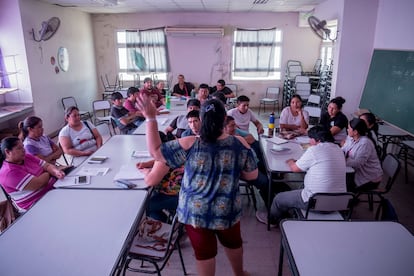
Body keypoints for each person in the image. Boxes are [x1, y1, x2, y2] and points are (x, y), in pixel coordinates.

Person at [136, 94, 258, 276]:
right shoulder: (238, 143)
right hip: (227, 210)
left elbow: (156, 152)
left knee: (204, 254)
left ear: (201, 120)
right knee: (233, 243)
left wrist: (151, 118)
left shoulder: (190, 143)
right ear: (225, 119)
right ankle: (239, 273)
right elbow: (252, 175)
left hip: (195, 212)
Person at [256, 125, 347, 226]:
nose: (309, 142)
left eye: (310, 139)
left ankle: (272, 220)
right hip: (339, 202)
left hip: (315, 202)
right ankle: (290, 210)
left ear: (317, 140)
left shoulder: (314, 150)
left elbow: (295, 168)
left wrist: (291, 162)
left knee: (278, 199)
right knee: (299, 188)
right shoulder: (339, 150)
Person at [0, 137, 65, 211]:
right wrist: (49, 173)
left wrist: (55, 171)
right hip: (36, 204)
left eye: (23, 147)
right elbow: (39, 184)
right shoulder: (8, 173)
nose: (24, 150)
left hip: (52, 190)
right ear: (8, 152)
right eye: (19, 148)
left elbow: (47, 165)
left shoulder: (26, 157)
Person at [137, 132, 183, 223]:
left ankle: (167, 225)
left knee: (143, 207)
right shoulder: (171, 150)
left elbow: (150, 181)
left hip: (176, 196)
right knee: (151, 200)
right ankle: (166, 223)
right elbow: (157, 160)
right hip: (184, 192)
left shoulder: (163, 158)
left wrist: (147, 171)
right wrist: (147, 164)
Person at [342, 118, 383, 192]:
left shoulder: (365, 143)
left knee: (343, 185)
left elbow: (358, 163)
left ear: (355, 132)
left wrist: (342, 160)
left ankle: (350, 200)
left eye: (349, 128)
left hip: (369, 178)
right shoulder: (350, 137)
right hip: (356, 172)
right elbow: (344, 149)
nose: (347, 130)